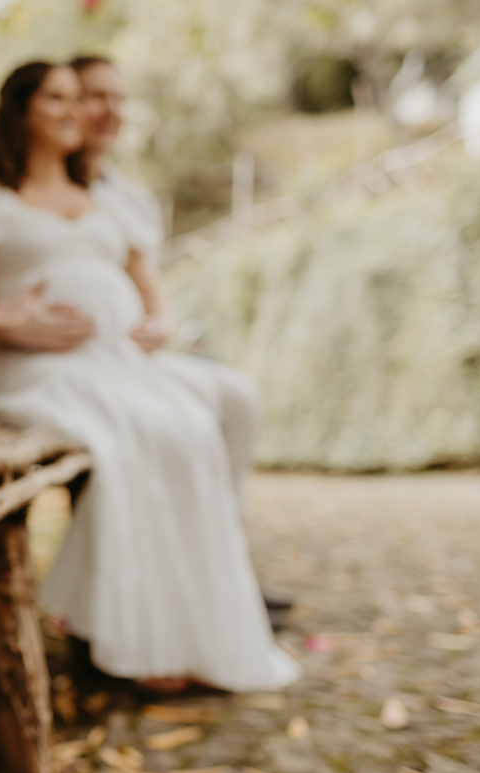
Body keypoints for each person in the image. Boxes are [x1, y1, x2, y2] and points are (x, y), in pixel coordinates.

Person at [0, 61, 299, 693]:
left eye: (79, 98)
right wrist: (7, 322)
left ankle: (187, 628)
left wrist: (155, 323)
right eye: (58, 98)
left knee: (188, 428)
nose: (76, 110)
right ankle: (139, 638)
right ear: (20, 110)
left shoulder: (102, 202)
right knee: (145, 435)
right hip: (36, 366)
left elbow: (151, 289)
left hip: (115, 362)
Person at [70, 55, 294, 627]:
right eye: (95, 96)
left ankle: (226, 568)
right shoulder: (43, 185)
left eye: (118, 98)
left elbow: (152, 288)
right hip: (79, 364)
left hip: (135, 355)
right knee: (175, 425)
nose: (110, 110)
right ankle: (156, 590)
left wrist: (161, 322)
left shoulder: (129, 196)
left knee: (237, 398)